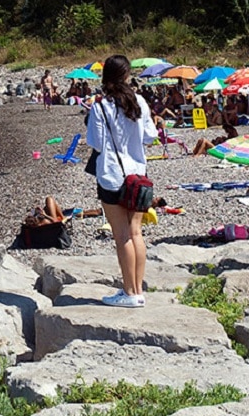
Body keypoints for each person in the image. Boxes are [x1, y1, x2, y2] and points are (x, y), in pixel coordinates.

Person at [86, 54, 157, 308]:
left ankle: (129, 292)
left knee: (122, 235)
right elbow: (150, 136)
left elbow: (95, 143)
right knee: (136, 232)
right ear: (127, 76)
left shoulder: (100, 106)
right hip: (138, 175)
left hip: (112, 176)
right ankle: (138, 289)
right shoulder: (139, 101)